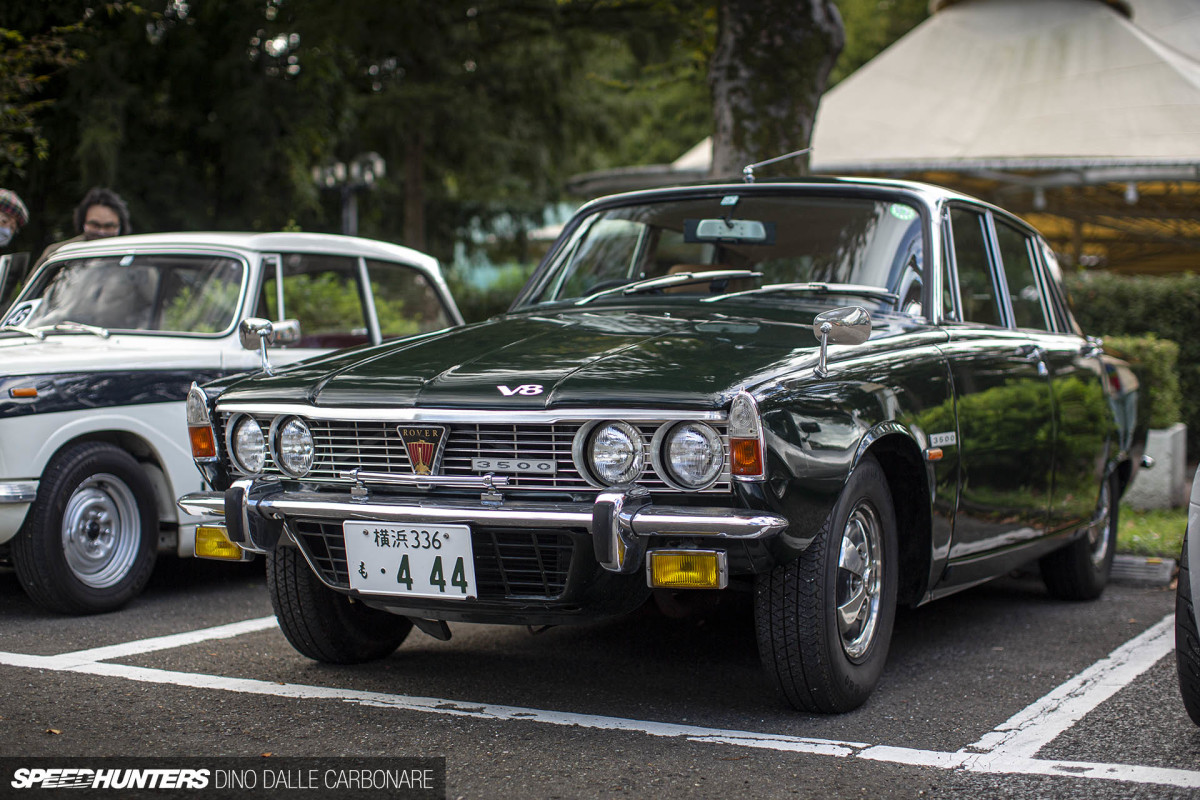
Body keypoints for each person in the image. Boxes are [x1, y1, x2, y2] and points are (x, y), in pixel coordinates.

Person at [34, 187, 132, 267]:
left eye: (108, 226)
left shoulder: (133, 256)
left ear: (120, 227)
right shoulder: (58, 254)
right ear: (83, 223)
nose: (101, 232)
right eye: (95, 225)